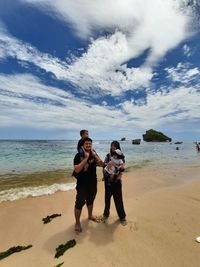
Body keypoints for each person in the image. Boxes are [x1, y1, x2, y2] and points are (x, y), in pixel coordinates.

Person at [73, 137, 103, 233]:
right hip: (82, 184)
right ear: (83, 145)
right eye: (87, 144)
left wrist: (95, 156)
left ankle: (90, 216)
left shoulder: (94, 154)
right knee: (79, 203)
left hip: (93, 183)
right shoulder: (78, 156)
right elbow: (77, 169)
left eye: (90, 144)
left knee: (91, 200)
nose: (89, 145)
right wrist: (85, 158)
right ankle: (77, 222)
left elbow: (102, 164)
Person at [103, 141, 126, 225]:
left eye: (114, 147)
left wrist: (116, 174)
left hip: (116, 181)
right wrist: (108, 171)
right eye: (112, 147)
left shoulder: (121, 157)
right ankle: (105, 214)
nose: (113, 148)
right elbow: (104, 165)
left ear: (117, 148)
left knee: (118, 199)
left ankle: (122, 217)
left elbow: (122, 169)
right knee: (107, 199)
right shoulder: (108, 156)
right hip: (108, 181)